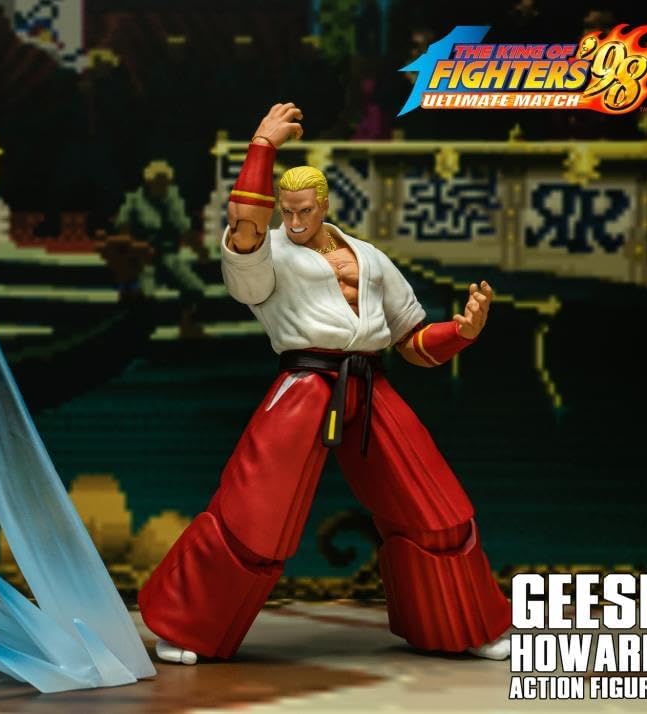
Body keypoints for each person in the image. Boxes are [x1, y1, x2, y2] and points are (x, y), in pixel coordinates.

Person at [138, 102, 511, 665]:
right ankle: (186, 626)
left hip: (370, 382)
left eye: (304, 210)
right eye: (286, 210)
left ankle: (459, 625)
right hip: (305, 382)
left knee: (438, 510)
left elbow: (412, 341)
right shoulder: (267, 255)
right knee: (255, 515)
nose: (293, 220)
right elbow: (245, 225)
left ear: (324, 205)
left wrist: (461, 332)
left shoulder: (369, 257)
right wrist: (261, 148)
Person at [116, 160, 206, 337]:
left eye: (166, 182)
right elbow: (122, 229)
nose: (163, 186)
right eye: (159, 182)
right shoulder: (134, 200)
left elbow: (183, 227)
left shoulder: (172, 198)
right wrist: (137, 247)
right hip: (141, 256)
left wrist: (199, 249)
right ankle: (139, 332)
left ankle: (187, 324)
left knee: (195, 287)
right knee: (145, 292)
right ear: (149, 182)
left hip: (167, 254)